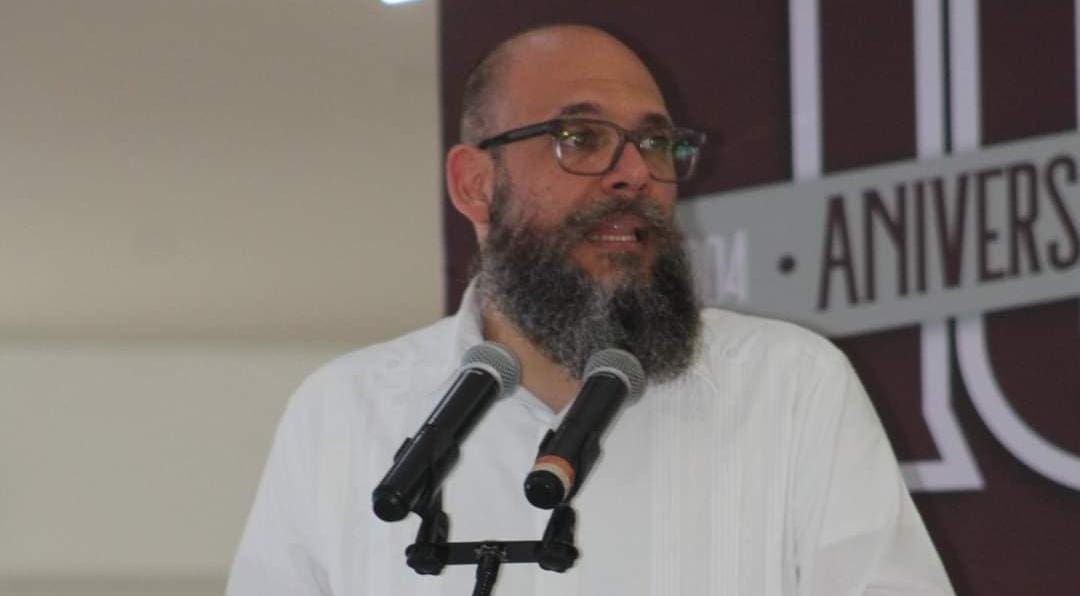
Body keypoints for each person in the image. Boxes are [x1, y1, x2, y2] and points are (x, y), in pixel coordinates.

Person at [227, 24, 954, 595]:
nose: (634, 173)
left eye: (655, 143)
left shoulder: (790, 386)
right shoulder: (344, 412)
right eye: (580, 138)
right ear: (476, 184)